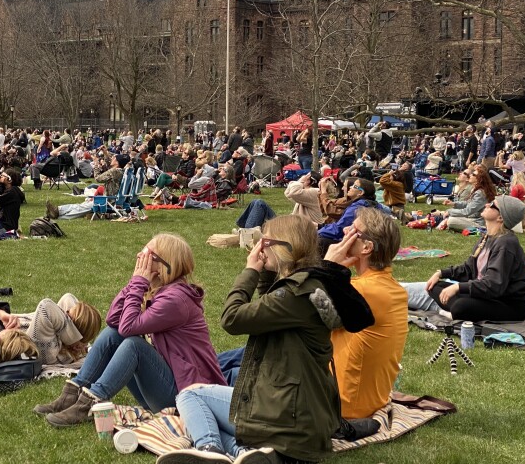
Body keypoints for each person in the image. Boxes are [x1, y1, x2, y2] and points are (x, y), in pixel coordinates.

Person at [161, 216, 373, 464]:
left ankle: (210, 449)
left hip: (287, 418)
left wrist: (250, 271)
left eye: (265, 240)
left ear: (283, 246)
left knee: (190, 395)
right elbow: (268, 305)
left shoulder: (294, 295)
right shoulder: (309, 286)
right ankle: (239, 454)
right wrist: (264, 272)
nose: (259, 245)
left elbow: (232, 319)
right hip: (300, 411)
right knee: (209, 397)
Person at [34, 233, 225, 426]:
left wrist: (138, 282)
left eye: (145, 254)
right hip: (172, 385)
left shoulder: (176, 300)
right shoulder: (164, 291)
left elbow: (128, 327)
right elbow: (114, 321)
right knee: (112, 335)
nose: (138, 256)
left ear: (162, 265)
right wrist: (136, 283)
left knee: (134, 346)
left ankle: (88, 403)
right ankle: (72, 394)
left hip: (186, 398)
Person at [325, 208, 407, 420]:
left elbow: (296, 308)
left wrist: (328, 268)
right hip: (365, 399)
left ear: (366, 247)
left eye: (353, 230)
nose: (344, 230)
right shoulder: (390, 287)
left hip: (341, 404)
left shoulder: (363, 290)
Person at [426, 195, 525, 321]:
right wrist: (442, 273)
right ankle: (456, 310)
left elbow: (493, 285)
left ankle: (456, 311)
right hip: (486, 296)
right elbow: (469, 269)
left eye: (492, 204)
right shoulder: (487, 237)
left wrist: (458, 287)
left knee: (461, 306)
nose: (487, 205)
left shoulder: (506, 244)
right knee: (434, 286)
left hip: (507, 303)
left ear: (500, 217)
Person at [0, 293, 102, 365]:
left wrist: (77, 341)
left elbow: (46, 306)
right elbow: (68, 297)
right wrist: (1, 313)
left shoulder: (52, 348)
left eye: (68, 317)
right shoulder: (57, 331)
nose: (63, 313)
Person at [318, 178, 378, 253]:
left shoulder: (357, 207)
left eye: (354, 186)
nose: (349, 187)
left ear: (360, 192)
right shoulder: (370, 204)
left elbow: (338, 230)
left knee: (318, 241)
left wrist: (318, 231)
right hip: (367, 242)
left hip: (358, 242)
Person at [440, 165, 496, 231]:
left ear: (478, 179)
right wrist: (454, 203)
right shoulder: (477, 190)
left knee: (451, 220)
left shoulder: (480, 193)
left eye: (473, 174)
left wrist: (449, 211)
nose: (470, 175)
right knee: (451, 217)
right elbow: (468, 203)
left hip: (478, 223)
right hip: (471, 218)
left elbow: (467, 211)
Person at [0, 168, 24, 232]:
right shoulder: (10, 190)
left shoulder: (12, 192)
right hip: (5, 223)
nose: (0, 177)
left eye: (2, 176)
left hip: (7, 225)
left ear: (9, 180)